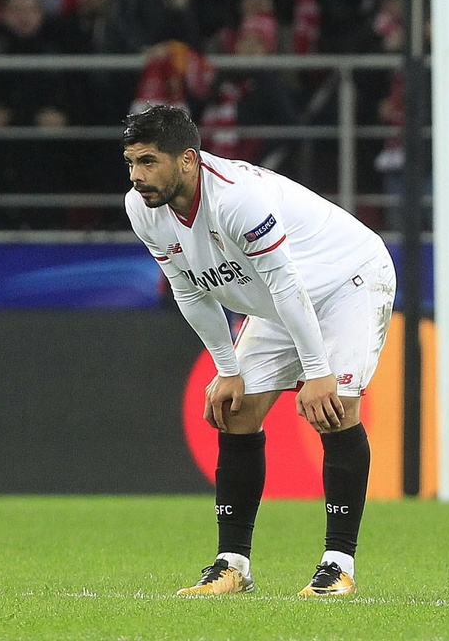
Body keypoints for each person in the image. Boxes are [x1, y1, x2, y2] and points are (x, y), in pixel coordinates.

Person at [121, 105, 395, 596]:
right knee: (236, 409)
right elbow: (189, 290)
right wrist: (227, 368)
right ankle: (232, 566)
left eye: (148, 161)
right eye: (131, 163)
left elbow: (288, 283)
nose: (138, 177)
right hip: (278, 297)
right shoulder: (143, 209)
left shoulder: (236, 199)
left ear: (187, 160)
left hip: (346, 281)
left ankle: (338, 565)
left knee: (333, 409)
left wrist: (317, 371)